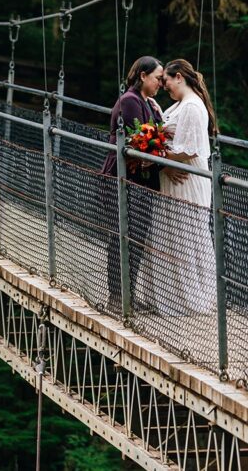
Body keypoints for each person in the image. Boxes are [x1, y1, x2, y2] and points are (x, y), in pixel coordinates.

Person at [135, 58, 218, 315]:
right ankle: (165, 297)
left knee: (185, 235)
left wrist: (156, 156)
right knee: (170, 234)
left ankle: (187, 301)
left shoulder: (193, 107)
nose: (163, 85)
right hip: (173, 179)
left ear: (179, 77)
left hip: (186, 181)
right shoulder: (182, 105)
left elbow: (189, 150)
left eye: (166, 80)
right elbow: (166, 130)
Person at [101, 56, 173, 315]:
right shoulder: (130, 101)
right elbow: (134, 140)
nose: (161, 84)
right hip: (122, 178)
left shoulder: (147, 102)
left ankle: (127, 295)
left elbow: (153, 135)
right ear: (142, 76)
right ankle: (117, 297)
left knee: (137, 238)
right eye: (157, 78)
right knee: (121, 237)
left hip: (138, 180)